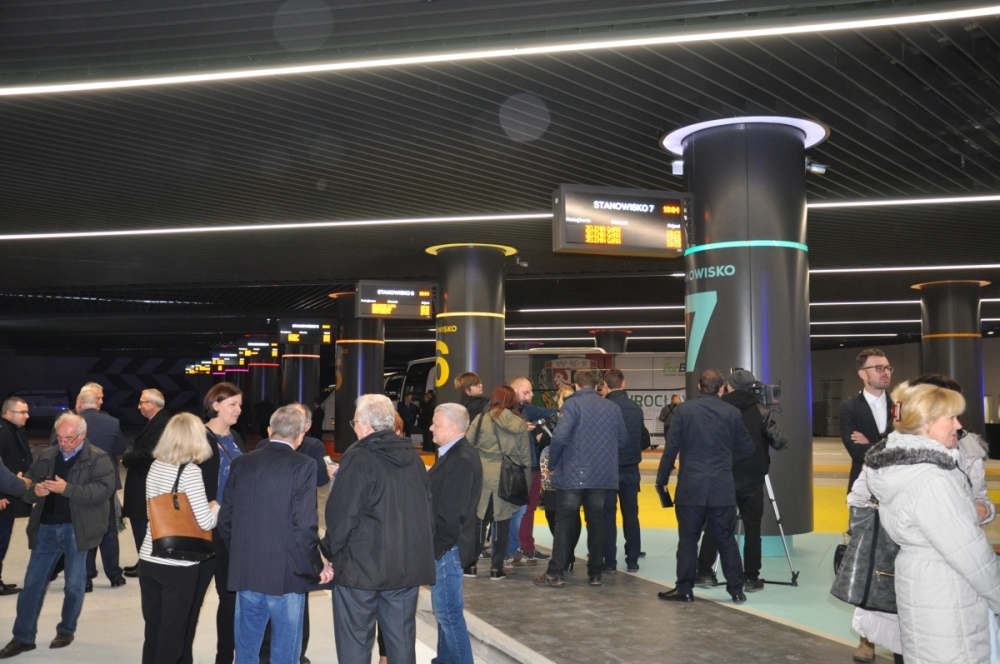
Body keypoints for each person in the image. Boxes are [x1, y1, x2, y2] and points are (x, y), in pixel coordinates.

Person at [865, 381, 1000, 664]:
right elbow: (972, 556)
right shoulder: (931, 479)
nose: (958, 425)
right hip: (948, 592)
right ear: (925, 423)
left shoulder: (901, 467)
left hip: (924, 585)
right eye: (951, 418)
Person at [323, 394, 435, 664]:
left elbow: (342, 514)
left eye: (354, 422)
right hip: (404, 568)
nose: (354, 428)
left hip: (360, 570)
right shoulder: (413, 459)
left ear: (366, 424)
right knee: (401, 641)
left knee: (355, 643)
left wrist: (329, 551)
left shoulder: (358, 457)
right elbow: (427, 513)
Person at [220, 406, 332, 664]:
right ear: (300, 436)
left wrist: (240, 552)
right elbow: (304, 526)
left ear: (270, 430)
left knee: (246, 647)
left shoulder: (241, 463)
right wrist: (317, 566)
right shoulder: (304, 465)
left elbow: (226, 519)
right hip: (286, 575)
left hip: (247, 570)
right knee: (285, 649)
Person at [0, 413, 115, 657]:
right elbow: (27, 488)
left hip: (77, 529)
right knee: (32, 585)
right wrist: (36, 490)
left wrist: (67, 489)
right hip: (46, 529)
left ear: (82, 435)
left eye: (69, 439)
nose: (63, 443)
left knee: (74, 585)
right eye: (60, 438)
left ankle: (66, 629)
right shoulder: (46, 455)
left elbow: (103, 491)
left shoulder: (99, 458)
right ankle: (23, 637)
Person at [655, 369, 754, 604]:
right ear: (722, 389)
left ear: (699, 387)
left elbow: (671, 448)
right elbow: (748, 448)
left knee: (688, 540)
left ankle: (684, 589)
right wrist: (725, 462)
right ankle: (736, 590)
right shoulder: (732, 413)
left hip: (691, 486)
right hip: (721, 486)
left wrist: (662, 480)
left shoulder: (683, 410)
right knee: (726, 539)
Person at [137, 412, 220, 664]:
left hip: (149, 556)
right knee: (173, 635)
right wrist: (216, 508)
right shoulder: (190, 472)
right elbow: (205, 522)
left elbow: (153, 510)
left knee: (153, 630)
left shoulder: (156, 465)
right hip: (179, 564)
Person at [694, 370, 788, 592]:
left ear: (728, 386)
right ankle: (751, 578)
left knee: (714, 524)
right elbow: (780, 441)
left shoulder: (719, 408)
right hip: (752, 479)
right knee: (753, 528)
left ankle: (705, 573)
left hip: (722, 476)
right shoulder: (761, 410)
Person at [533, 370, 626, 588]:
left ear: (575, 386)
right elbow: (622, 440)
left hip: (573, 475)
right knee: (596, 522)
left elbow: (559, 438)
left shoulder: (571, 405)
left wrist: (553, 464)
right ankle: (595, 574)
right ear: (597, 386)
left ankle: (555, 573)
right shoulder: (612, 408)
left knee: (564, 522)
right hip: (601, 476)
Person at [187, 382, 246, 664]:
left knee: (230, 598)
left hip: (231, 531)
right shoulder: (197, 437)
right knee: (192, 599)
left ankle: (224, 658)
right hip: (203, 528)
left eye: (239, 404)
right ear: (215, 405)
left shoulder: (236, 438)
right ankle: (181, 656)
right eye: (232, 404)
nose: (238, 409)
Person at [427, 403, 483, 664]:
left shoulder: (460, 459)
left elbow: (451, 515)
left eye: (436, 424)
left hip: (448, 549)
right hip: (447, 547)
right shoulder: (454, 454)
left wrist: (436, 549)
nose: (431, 428)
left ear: (452, 428)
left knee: (448, 614)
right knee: (444, 614)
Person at [467, 386, 532, 580]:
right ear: (512, 400)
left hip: (483, 476)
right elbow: (525, 457)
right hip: (507, 477)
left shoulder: (480, 419)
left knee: (480, 520)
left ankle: (471, 565)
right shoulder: (519, 424)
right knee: (502, 523)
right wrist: (526, 483)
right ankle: (496, 568)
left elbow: (467, 446)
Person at [74, 389, 127, 591]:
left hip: (80, 484)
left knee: (84, 529)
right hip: (106, 483)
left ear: (80, 402)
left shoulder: (70, 422)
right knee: (109, 529)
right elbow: (119, 448)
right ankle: (114, 575)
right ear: (98, 403)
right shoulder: (112, 422)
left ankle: (86, 578)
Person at [121, 388, 171, 578]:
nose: (139, 406)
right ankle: (144, 561)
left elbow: (151, 452)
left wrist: (127, 458)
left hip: (145, 483)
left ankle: (146, 564)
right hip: (146, 481)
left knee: (142, 523)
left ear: (152, 404)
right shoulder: (159, 421)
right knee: (142, 523)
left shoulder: (161, 423)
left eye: (142, 402)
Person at [508, 376, 555, 568]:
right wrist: (518, 428)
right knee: (514, 512)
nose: (529, 396)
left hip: (532, 467)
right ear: (513, 390)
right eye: (525, 392)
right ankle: (511, 550)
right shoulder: (500, 411)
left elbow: (550, 412)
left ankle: (526, 547)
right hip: (514, 469)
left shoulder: (527, 409)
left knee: (528, 510)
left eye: (530, 392)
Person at [601, 368, 644, 574]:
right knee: (631, 514)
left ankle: (610, 561)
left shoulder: (604, 407)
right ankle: (632, 559)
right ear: (623, 384)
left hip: (608, 469)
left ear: (605, 386)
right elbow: (642, 437)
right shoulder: (636, 408)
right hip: (631, 468)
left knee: (608, 516)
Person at [840, 349, 892, 493]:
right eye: (879, 368)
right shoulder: (849, 408)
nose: (886, 372)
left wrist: (869, 444)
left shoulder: (901, 406)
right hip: (863, 489)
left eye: (888, 368)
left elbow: (907, 449)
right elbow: (856, 452)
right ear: (862, 374)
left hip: (896, 489)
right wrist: (890, 448)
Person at [0, 398, 32, 594]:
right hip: (5, 497)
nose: (27, 416)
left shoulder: (15, 430)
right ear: (9, 413)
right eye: (23, 412)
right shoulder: (3, 432)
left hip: (12, 492)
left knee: (3, 540)